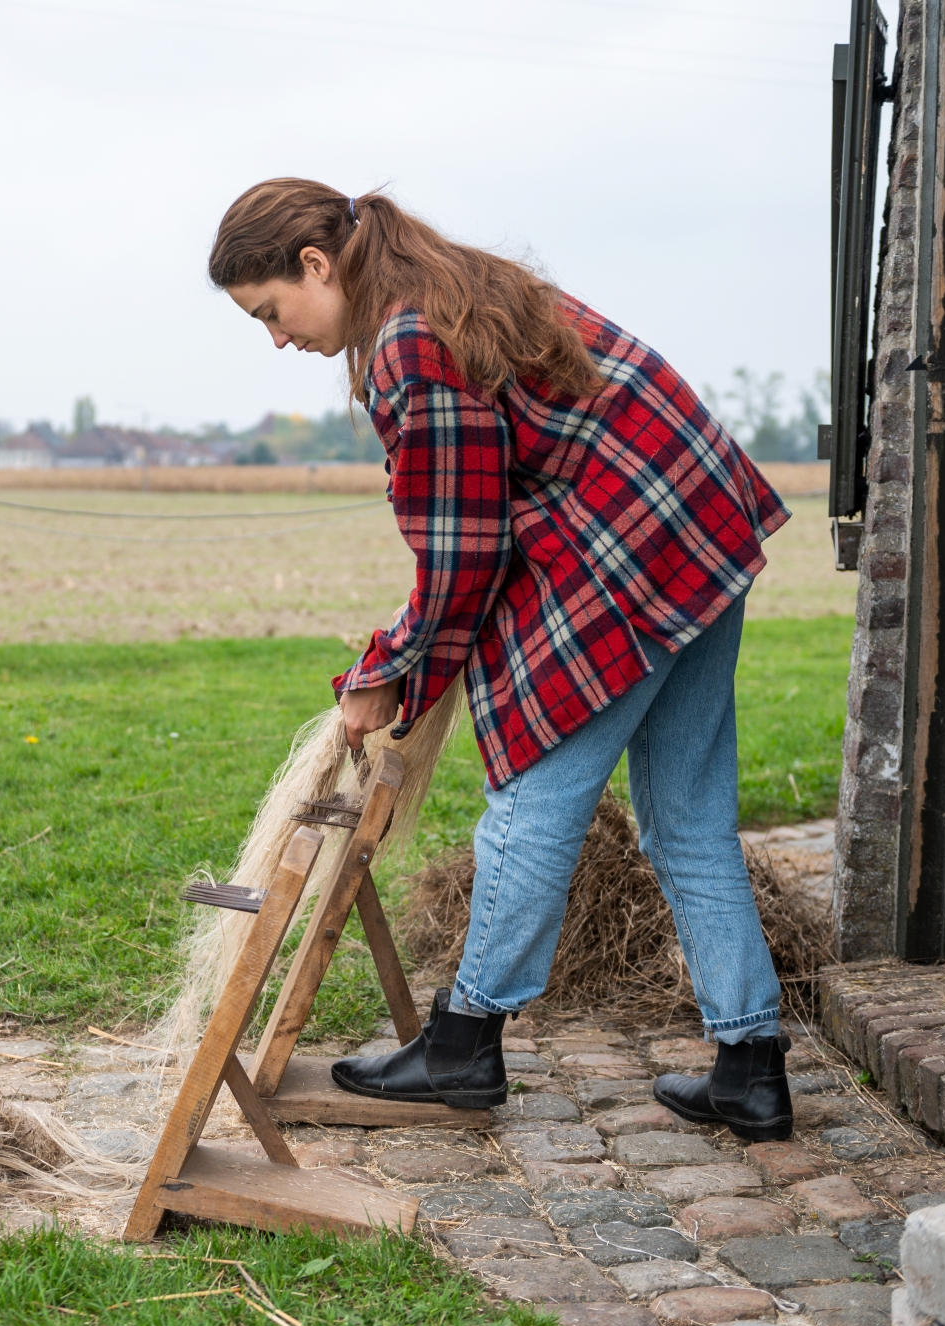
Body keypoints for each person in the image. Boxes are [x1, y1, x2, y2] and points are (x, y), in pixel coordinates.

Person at [208, 179, 796, 1142]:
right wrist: (402, 658)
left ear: (315, 265)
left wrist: (386, 670)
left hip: (627, 548)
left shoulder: (408, 339)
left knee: (531, 802)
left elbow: (462, 550)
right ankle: (750, 1068)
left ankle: (464, 1042)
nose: (277, 338)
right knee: (688, 821)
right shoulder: (453, 282)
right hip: (693, 528)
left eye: (271, 311)